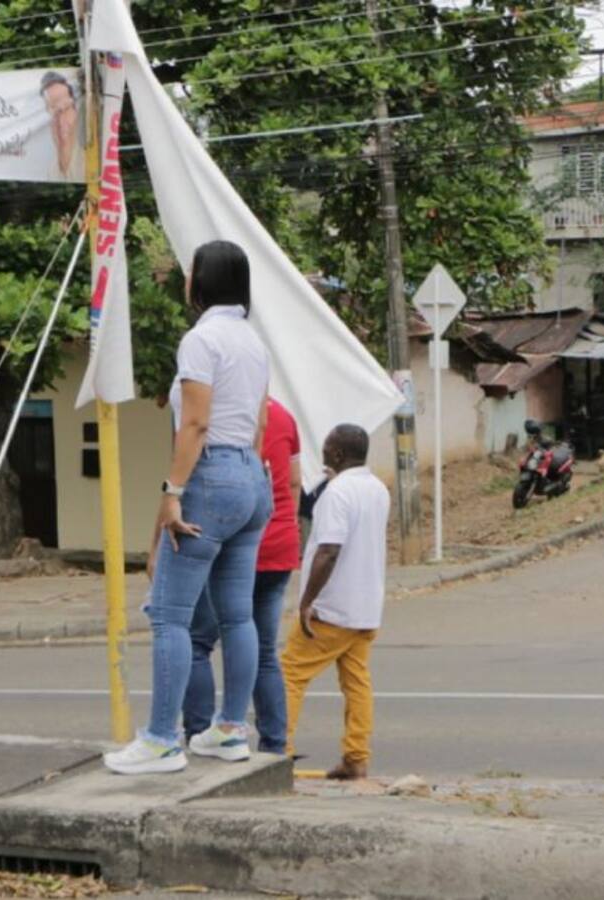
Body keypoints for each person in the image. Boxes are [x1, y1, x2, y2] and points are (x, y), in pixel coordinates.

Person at [104, 240, 272, 775]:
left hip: (211, 473)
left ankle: (160, 740)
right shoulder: (253, 341)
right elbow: (261, 423)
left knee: (170, 616)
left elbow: (195, 423)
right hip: (250, 473)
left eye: (188, 271)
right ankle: (229, 730)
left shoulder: (201, 340)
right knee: (239, 615)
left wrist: (172, 490)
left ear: (201, 281)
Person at [183, 397, 301, 755]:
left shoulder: (216, 414)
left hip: (230, 544)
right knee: (265, 651)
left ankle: (200, 733)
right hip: (278, 543)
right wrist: (285, 523)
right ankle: (275, 746)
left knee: (198, 643)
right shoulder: (283, 415)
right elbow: (294, 482)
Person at [282, 424, 390, 781]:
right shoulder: (376, 489)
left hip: (332, 607)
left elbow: (328, 550)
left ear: (339, 454)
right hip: (366, 606)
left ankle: (276, 751)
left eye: (327, 448)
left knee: (289, 674)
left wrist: (307, 601)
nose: (323, 452)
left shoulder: (338, 493)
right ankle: (356, 758)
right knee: (356, 681)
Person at [40, 71, 83, 182]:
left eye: (66, 110)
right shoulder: (52, 172)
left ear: (75, 109)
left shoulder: (92, 154)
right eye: (54, 113)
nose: (60, 122)